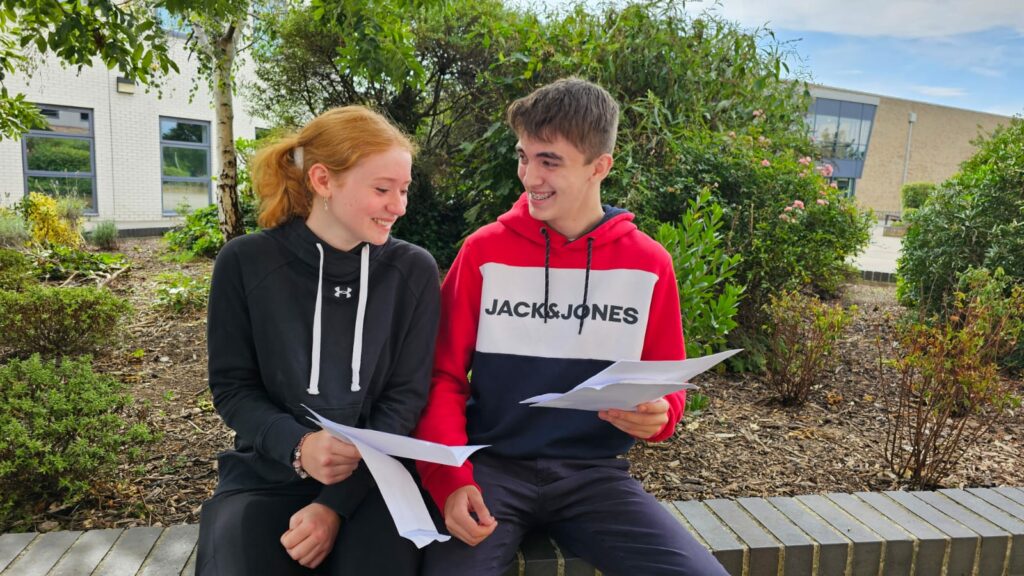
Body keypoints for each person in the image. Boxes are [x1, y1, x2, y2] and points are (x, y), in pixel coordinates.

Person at [413, 78, 728, 575]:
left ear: (599, 166)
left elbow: (666, 386)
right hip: (492, 469)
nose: (529, 176)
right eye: (524, 157)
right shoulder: (483, 251)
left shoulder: (649, 264)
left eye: (549, 161)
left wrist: (660, 414)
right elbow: (441, 377)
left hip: (595, 478)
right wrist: (450, 480)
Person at [196, 106, 441, 575]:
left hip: (375, 482)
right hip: (266, 473)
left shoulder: (412, 271)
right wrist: (299, 446)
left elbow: (405, 399)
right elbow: (233, 388)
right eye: (382, 189)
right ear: (324, 180)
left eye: (404, 189)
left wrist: (333, 504)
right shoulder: (244, 262)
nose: (399, 206)